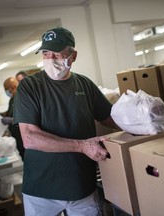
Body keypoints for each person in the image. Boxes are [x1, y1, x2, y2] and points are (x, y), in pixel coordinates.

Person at [13, 26, 118, 216]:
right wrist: (82, 146)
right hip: (42, 189)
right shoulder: (30, 86)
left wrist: (144, 126)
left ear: (73, 55)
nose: (51, 59)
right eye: (46, 53)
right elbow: (29, 138)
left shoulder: (85, 84)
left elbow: (110, 118)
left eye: (56, 53)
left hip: (81, 185)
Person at [2, 77, 25, 160]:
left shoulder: (24, 97)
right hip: (17, 136)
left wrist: (11, 120)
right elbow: (10, 112)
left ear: (13, 87)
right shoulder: (12, 99)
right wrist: (1, 115)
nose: (7, 92)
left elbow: (25, 118)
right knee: (23, 156)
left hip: (24, 135)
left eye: (7, 89)